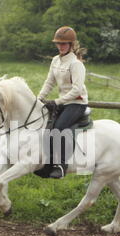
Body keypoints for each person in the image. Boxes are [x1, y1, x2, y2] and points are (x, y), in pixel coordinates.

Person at [38, 26, 89, 179]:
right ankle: (48, 165)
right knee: (47, 127)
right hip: (62, 102)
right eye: (58, 43)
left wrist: (57, 101)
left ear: (71, 45)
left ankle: (61, 166)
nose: (61, 46)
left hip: (76, 103)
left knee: (59, 128)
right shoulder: (55, 60)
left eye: (64, 44)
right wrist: (39, 98)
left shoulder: (76, 64)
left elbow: (77, 90)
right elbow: (49, 82)